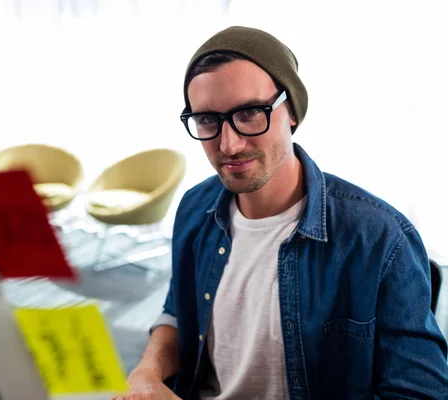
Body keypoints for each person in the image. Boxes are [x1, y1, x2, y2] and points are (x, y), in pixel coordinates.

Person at [112, 26, 448, 400]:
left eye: (251, 113)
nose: (230, 144)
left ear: (292, 112)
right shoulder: (194, 208)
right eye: (207, 120)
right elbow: (178, 310)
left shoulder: (380, 239)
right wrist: (146, 371)